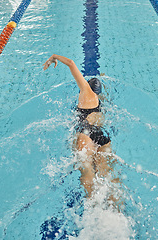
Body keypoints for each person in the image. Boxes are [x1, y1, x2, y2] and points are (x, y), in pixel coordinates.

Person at [43, 54, 116, 199]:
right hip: (103, 135)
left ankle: (92, 205)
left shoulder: (86, 93)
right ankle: (115, 206)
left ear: (88, 86)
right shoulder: (99, 101)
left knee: (87, 170)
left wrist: (54, 57)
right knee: (106, 172)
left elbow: (71, 63)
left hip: (85, 133)